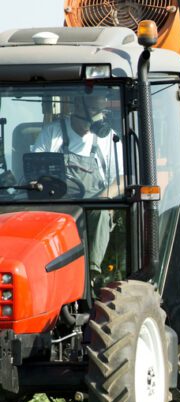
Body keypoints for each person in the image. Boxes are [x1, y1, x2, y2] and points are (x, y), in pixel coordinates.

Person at [27, 93, 124, 274]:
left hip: (92, 205)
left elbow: (122, 177)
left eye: (102, 111)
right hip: (57, 205)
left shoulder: (109, 138)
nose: (100, 117)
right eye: (95, 110)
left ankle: (92, 271)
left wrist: (105, 196)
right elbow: (34, 171)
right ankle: (41, 269)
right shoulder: (52, 133)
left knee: (102, 212)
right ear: (78, 106)